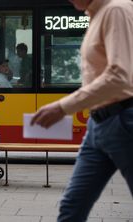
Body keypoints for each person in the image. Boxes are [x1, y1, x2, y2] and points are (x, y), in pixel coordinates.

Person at [31, 0, 133, 221]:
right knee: (72, 205)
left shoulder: (116, 10)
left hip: (124, 120)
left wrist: (63, 106)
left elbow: (120, 76)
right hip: (98, 125)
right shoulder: (94, 15)